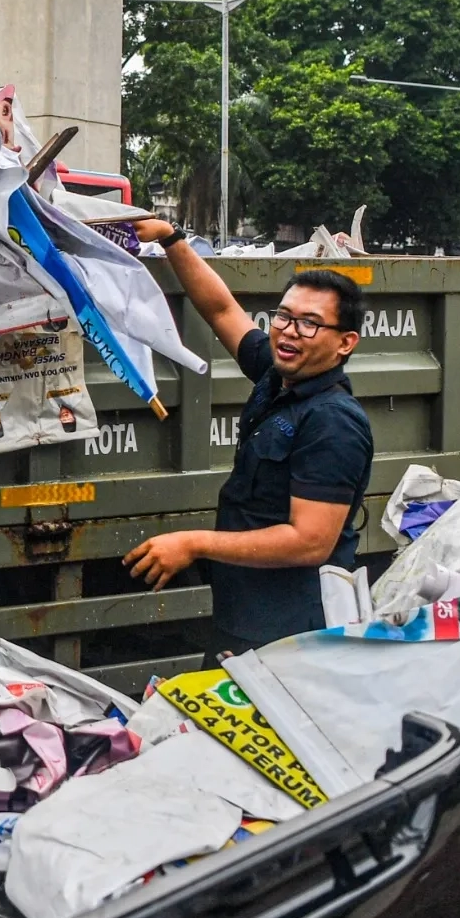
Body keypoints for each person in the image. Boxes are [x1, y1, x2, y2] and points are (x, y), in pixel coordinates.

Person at [121, 222, 374, 654]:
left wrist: (193, 542)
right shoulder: (277, 377)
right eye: (284, 316)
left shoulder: (333, 422)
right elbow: (221, 310)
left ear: (345, 343)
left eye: (310, 324)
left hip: (294, 633)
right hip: (246, 616)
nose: (290, 331)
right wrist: (170, 238)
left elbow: (310, 541)